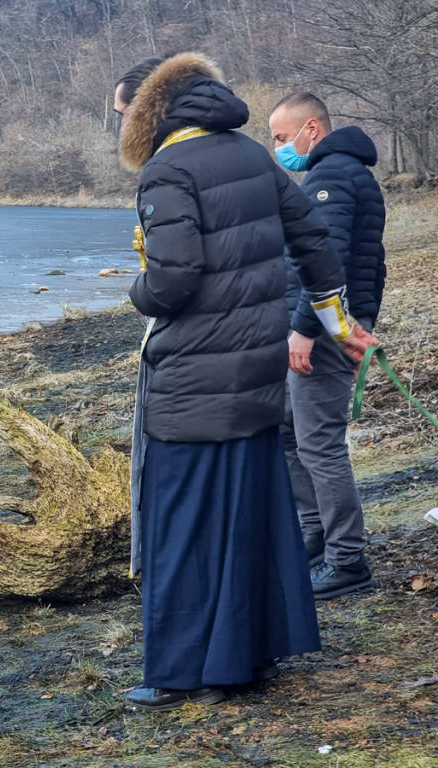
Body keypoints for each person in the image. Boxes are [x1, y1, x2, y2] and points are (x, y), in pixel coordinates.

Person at [113, 53, 379, 711]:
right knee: (245, 517)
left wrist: (136, 291)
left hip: (196, 381)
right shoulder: (252, 154)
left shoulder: (167, 170)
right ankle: (246, 657)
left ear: (151, 112)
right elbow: (316, 245)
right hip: (257, 370)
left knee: (179, 525)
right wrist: (337, 319)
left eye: (122, 115)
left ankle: (178, 673)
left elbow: (173, 280)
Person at [269, 93, 386, 600]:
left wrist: (306, 328)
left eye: (279, 137)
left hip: (323, 328)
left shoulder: (332, 175)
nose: (278, 148)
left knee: (318, 443)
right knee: (290, 433)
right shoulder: (339, 172)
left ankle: (346, 558)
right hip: (327, 323)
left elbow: (327, 260)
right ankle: (314, 537)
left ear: (310, 128)